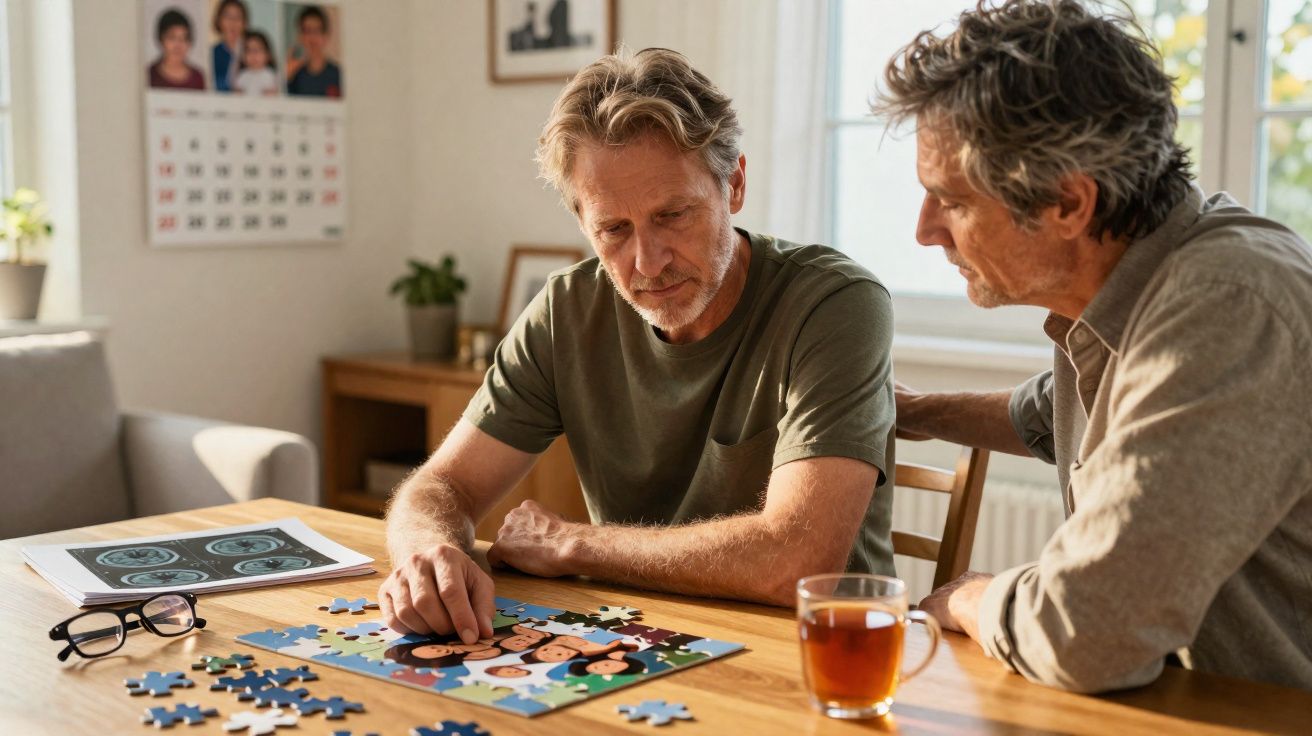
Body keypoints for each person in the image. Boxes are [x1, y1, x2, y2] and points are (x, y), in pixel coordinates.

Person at [381, 48, 897, 644]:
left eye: (673, 215)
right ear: (582, 222)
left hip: (818, 652)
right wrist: (427, 552)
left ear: (734, 184)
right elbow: (442, 487)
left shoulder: (835, 304)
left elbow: (798, 559)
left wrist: (576, 544)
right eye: (614, 229)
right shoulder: (567, 310)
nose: (647, 263)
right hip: (635, 643)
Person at [875, 0, 1312, 692]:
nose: (926, 230)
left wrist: (969, 596)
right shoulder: (1137, 283)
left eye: (952, 201)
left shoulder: (1226, 305)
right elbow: (1044, 414)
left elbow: (1085, 631)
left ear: (1069, 204)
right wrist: (914, 411)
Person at [286, 5, 342, 98]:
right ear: (300, 36)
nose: (312, 38)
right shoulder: (293, 74)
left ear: (325, 36)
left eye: (317, 31)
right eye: (307, 31)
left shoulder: (338, 74)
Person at [147, 9, 205, 91]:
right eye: (172, 38)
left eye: (184, 38)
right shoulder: (149, 75)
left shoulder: (198, 78)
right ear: (161, 39)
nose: (178, 45)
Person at [210, 0, 247, 92]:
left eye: (238, 17)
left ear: (244, 22)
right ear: (219, 20)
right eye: (228, 17)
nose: (233, 22)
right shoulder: (212, 53)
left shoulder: (251, 50)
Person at [233, 30, 279, 97]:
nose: (253, 55)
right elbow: (236, 96)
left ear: (268, 55)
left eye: (258, 50)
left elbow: (272, 96)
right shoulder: (242, 76)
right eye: (249, 50)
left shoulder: (270, 75)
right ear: (243, 57)